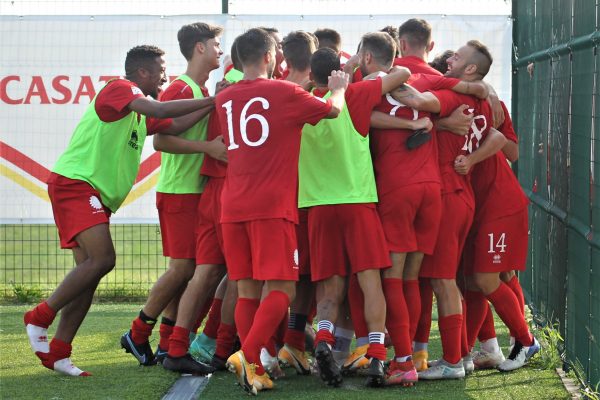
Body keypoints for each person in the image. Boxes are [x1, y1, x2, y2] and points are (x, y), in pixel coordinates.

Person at [24, 44, 215, 376]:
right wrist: (213, 100)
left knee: (89, 275)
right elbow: (158, 110)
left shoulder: (137, 111)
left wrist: (215, 106)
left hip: (91, 192)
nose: (165, 75)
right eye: (160, 69)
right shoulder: (121, 88)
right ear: (142, 72)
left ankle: (59, 351)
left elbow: (171, 124)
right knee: (104, 260)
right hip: (76, 185)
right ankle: (39, 316)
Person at [218, 27, 348, 395]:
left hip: (234, 205)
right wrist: (338, 85)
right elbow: (333, 111)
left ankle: (256, 366)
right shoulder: (283, 91)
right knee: (282, 290)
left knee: (247, 291)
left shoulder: (224, 98)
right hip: (271, 207)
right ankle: (246, 355)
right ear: (270, 57)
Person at [366, 42, 488, 386]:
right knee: (416, 280)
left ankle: (411, 359)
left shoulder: (391, 81)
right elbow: (474, 98)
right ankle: (423, 352)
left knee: (406, 279)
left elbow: (403, 104)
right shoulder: (439, 82)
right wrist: (437, 121)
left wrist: (409, 111)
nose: (450, 59)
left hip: (408, 190)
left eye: (457, 57)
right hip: (435, 191)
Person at [299, 33, 411, 388]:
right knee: (369, 281)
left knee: (329, 289)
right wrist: (349, 71)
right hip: (357, 201)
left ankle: (323, 341)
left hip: (318, 206)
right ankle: (377, 356)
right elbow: (401, 73)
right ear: (341, 72)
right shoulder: (357, 93)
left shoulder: (299, 102)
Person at [396, 40, 508, 380]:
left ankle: (453, 361)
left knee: (442, 280)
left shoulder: (454, 97)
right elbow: (497, 134)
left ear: (471, 69)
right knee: (448, 279)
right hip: (461, 196)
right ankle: (460, 355)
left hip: (446, 194)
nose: (449, 58)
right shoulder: (483, 101)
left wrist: (383, 83)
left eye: (457, 56)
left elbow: (414, 100)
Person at [120, 22, 226, 375]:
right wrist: (207, 147)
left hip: (196, 192)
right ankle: (138, 332)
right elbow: (161, 139)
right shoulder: (181, 86)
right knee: (182, 269)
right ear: (199, 48)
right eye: (216, 44)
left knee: (193, 272)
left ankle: (168, 344)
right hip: (180, 192)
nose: (220, 50)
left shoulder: (201, 87)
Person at [456, 97, 539, 372]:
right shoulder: (449, 101)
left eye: (460, 57)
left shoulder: (488, 102)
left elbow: (513, 152)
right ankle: (468, 352)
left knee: (488, 277)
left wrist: (474, 155)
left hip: (498, 205)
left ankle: (525, 340)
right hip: (474, 207)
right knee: (477, 280)